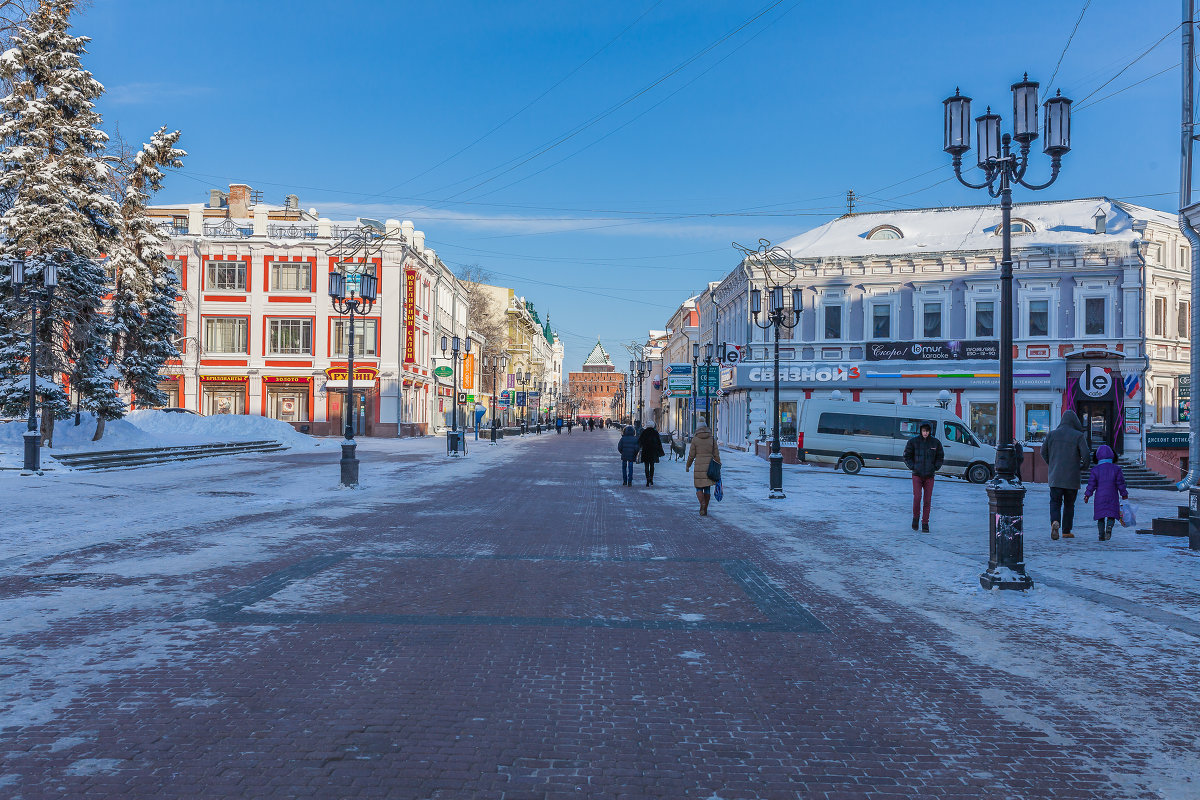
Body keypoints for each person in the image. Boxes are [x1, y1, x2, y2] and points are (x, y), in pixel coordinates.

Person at [1040, 409, 1090, 540]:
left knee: (1055, 502)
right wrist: (1082, 467)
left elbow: (1042, 452)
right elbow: (1086, 456)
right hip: (1072, 478)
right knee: (1069, 504)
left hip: (1055, 477)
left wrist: (1052, 463)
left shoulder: (1051, 434)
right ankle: (1066, 531)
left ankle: (1055, 522)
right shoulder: (1078, 436)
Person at [902, 421, 944, 532]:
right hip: (917, 475)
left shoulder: (936, 443)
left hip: (929, 476)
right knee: (917, 498)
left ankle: (925, 523)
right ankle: (915, 519)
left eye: (927, 431)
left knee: (927, 500)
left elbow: (940, 457)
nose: (925, 433)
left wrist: (935, 467)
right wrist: (912, 466)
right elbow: (906, 455)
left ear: (930, 431)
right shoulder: (913, 442)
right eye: (923, 431)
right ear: (921, 430)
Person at [1084, 444, 1128, 541]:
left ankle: (1101, 534)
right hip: (1112, 495)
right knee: (1111, 514)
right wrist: (1124, 494)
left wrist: (1087, 495)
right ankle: (1109, 528)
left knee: (1100, 516)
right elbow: (1120, 483)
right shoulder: (1117, 469)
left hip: (1100, 497)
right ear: (1112, 455)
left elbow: (1091, 484)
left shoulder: (1095, 470)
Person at [685, 424, 721, 515]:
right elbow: (716, 454)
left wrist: (688, 465)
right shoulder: (712, 439)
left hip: (699, 466)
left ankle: (702, 503)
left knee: (698, 487)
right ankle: (705, 508)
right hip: (710, 466)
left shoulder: (695, 439)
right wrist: (718, 464)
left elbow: (691, 455)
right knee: (707, 488)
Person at [637, 421, 665, 486]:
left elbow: (640, 442)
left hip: (646, 451)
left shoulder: (644, 432)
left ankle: (647, 480)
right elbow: (659, 443)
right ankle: (651, 479)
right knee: (652, 466)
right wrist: (660, 451)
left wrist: (640, 448)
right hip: (653, 452)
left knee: (646, 466)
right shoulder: (655, 433)